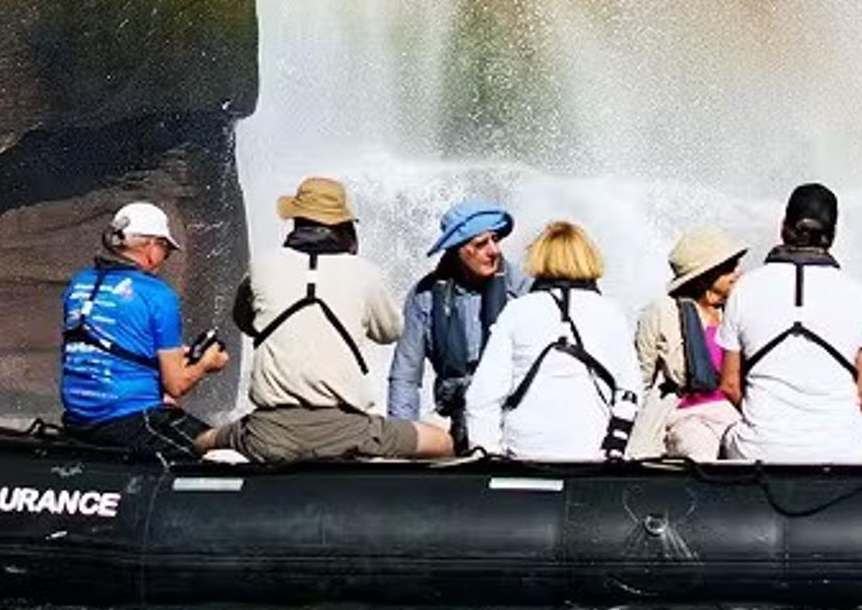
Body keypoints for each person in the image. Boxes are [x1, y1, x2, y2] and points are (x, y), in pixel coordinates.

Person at [227, 175, 450, 463]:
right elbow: (391, 332)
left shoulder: (262, 266)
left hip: (269, 432)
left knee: (206, 439)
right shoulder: (364, 273)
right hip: (349, 431)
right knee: (442, 441)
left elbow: (244, 322)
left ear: (295, 222)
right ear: (344, 227)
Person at [725, 182, 862, 465]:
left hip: (760, 449)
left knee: (726, 435)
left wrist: (767, 422)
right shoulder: (856, 293)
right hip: (846, 450)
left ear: (784, 225)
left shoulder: (745, 288)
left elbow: (730, 385)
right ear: (832, 235)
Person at [459, 220, 644, 463]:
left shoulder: (516, 311)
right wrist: (614, 448)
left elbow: (482, 397)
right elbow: (630, 392)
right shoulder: (611, 313)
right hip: (592, 455)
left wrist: (488, 455)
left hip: (524, 455)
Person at [59, 200, 226, 455]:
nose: (164, 259)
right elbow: (176, 386)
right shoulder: (157, 295)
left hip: (79, 420)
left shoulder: (79, 284)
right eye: (166, 250)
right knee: (224, 450)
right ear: (151, 246)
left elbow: (91, 347)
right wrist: (206, 364)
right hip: (130, 421)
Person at [388, 200, 518, 446]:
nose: (494, 250)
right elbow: (406, 376)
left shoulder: (521, 290)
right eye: (481, 244)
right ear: (457, 249)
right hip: (452, 416)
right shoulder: (424, 297)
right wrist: (402, 441)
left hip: (510, 417)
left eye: (496, 240)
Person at [634, 226, 750, 461]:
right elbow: (641, 377)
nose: (737, 273)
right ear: (706, 275)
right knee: (700, 449)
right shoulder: (662, 313)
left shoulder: (742, 311)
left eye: (736, 265)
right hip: (686, 417)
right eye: (728, 268)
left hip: (735, 415)